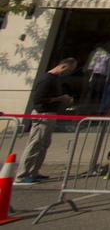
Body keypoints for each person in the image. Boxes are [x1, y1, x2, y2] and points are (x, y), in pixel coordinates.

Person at [15, 57, 74, 185]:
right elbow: (38, 99)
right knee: (35, 144)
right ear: (63, 66)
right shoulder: (47, 79)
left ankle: (34, 172)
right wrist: (60, 98)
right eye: (69, 69)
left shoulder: (55, 79)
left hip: (50, 115)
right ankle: (22, 174)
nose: (69, 73)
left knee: (43, 145)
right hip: (43, 114)